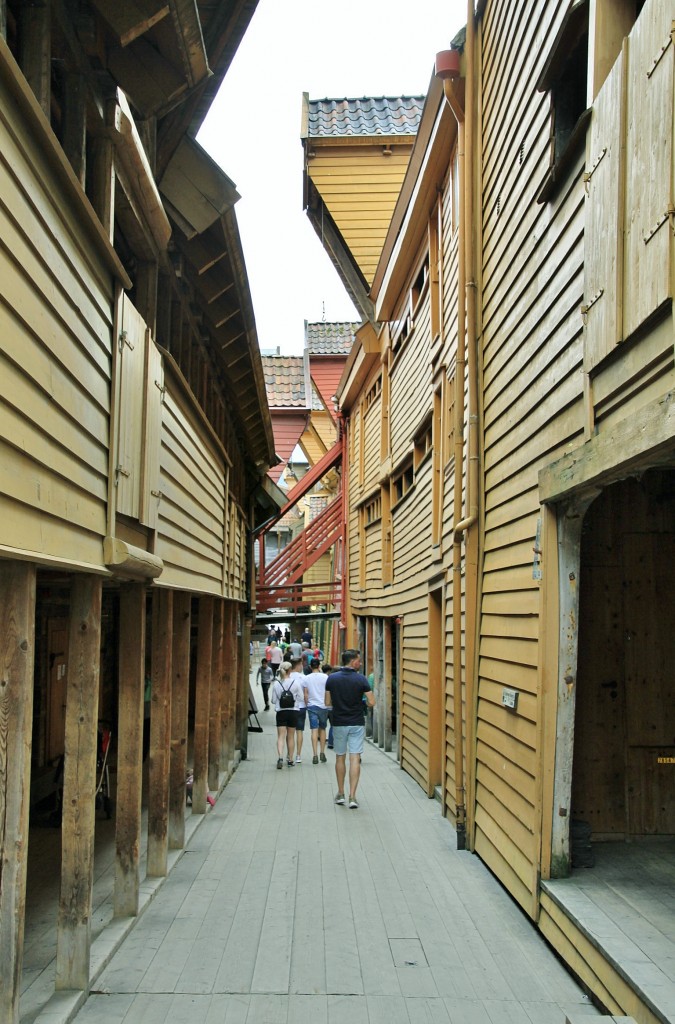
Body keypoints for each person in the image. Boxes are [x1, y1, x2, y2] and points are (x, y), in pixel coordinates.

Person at [325, 649, 375, 809]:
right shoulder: (361, 679)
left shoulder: (331, 679)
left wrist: (339, 704)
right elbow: (372, 702)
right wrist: (363, 704)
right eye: (359, 660)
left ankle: (340, 793)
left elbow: (327, 702)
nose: (360, 663)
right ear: (353, 662)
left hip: (339, 722)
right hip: (356, 722)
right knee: (355, 758)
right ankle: (353, 796)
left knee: (340, 757)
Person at [269, 662, 305, 768]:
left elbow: (273, 700)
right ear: (290, 670)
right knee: (290, 736)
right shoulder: (296, 683)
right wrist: (294, 700)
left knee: (281, 736)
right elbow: (301, 698)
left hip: (281, 712)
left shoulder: (276, 684)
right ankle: (290, 759)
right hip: (293, 711)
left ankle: (280, 757)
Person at [304, 658, 329, 763]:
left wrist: (307, 705)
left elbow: (305, 694)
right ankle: (322, 752)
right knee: (322, 729)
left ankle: (314, 755)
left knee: (314, 730)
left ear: (310, 666)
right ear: (319, 666)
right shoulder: (325, 677)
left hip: (312, 706)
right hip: (323, 706)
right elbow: (328, 691)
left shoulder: (307, 678)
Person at [288, 656, 308, 763]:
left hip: (289, 707)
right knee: (300, 731)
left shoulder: (287, 676)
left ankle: (289, 754)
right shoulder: (304, 677)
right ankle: (298, 755)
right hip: (301, 707)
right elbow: (306, 694)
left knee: (290, 732)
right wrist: (306, 704)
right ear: (299, 664)